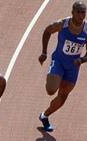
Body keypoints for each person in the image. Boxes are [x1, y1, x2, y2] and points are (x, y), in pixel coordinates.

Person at [39, 1, 87, 132]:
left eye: (83, 12)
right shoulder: (62, 24)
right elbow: (47, 31)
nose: (81, 15)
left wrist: (82, 60)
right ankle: (55, 76)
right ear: (72, 12)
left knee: (63, 96)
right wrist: (44, 52)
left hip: (73, 67)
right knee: (51, 90)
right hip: (59, 61)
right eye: (78, 12)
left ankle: (44, 116)